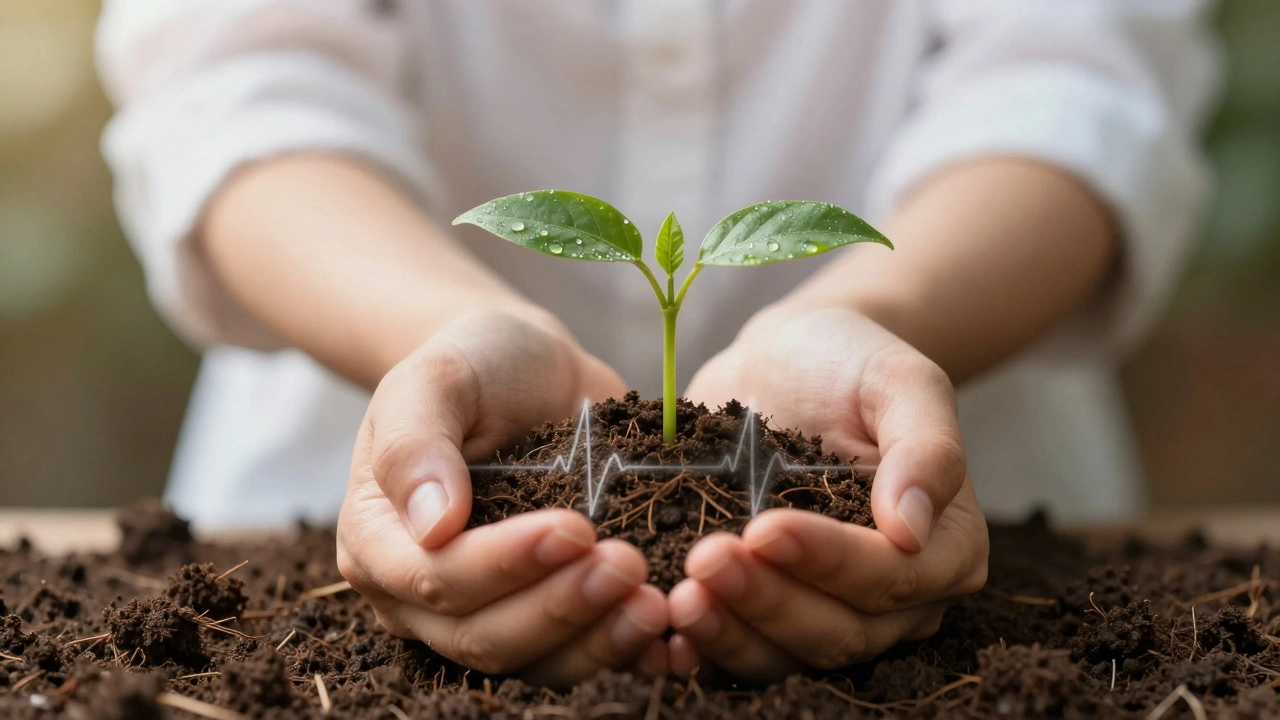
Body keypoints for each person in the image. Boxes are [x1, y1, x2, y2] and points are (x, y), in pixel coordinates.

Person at [96, 0, 1217, 686]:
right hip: (341, 537)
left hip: (942, 550)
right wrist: (437, 339)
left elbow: (1068, 75)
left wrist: (880, 317)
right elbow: (236, 78)